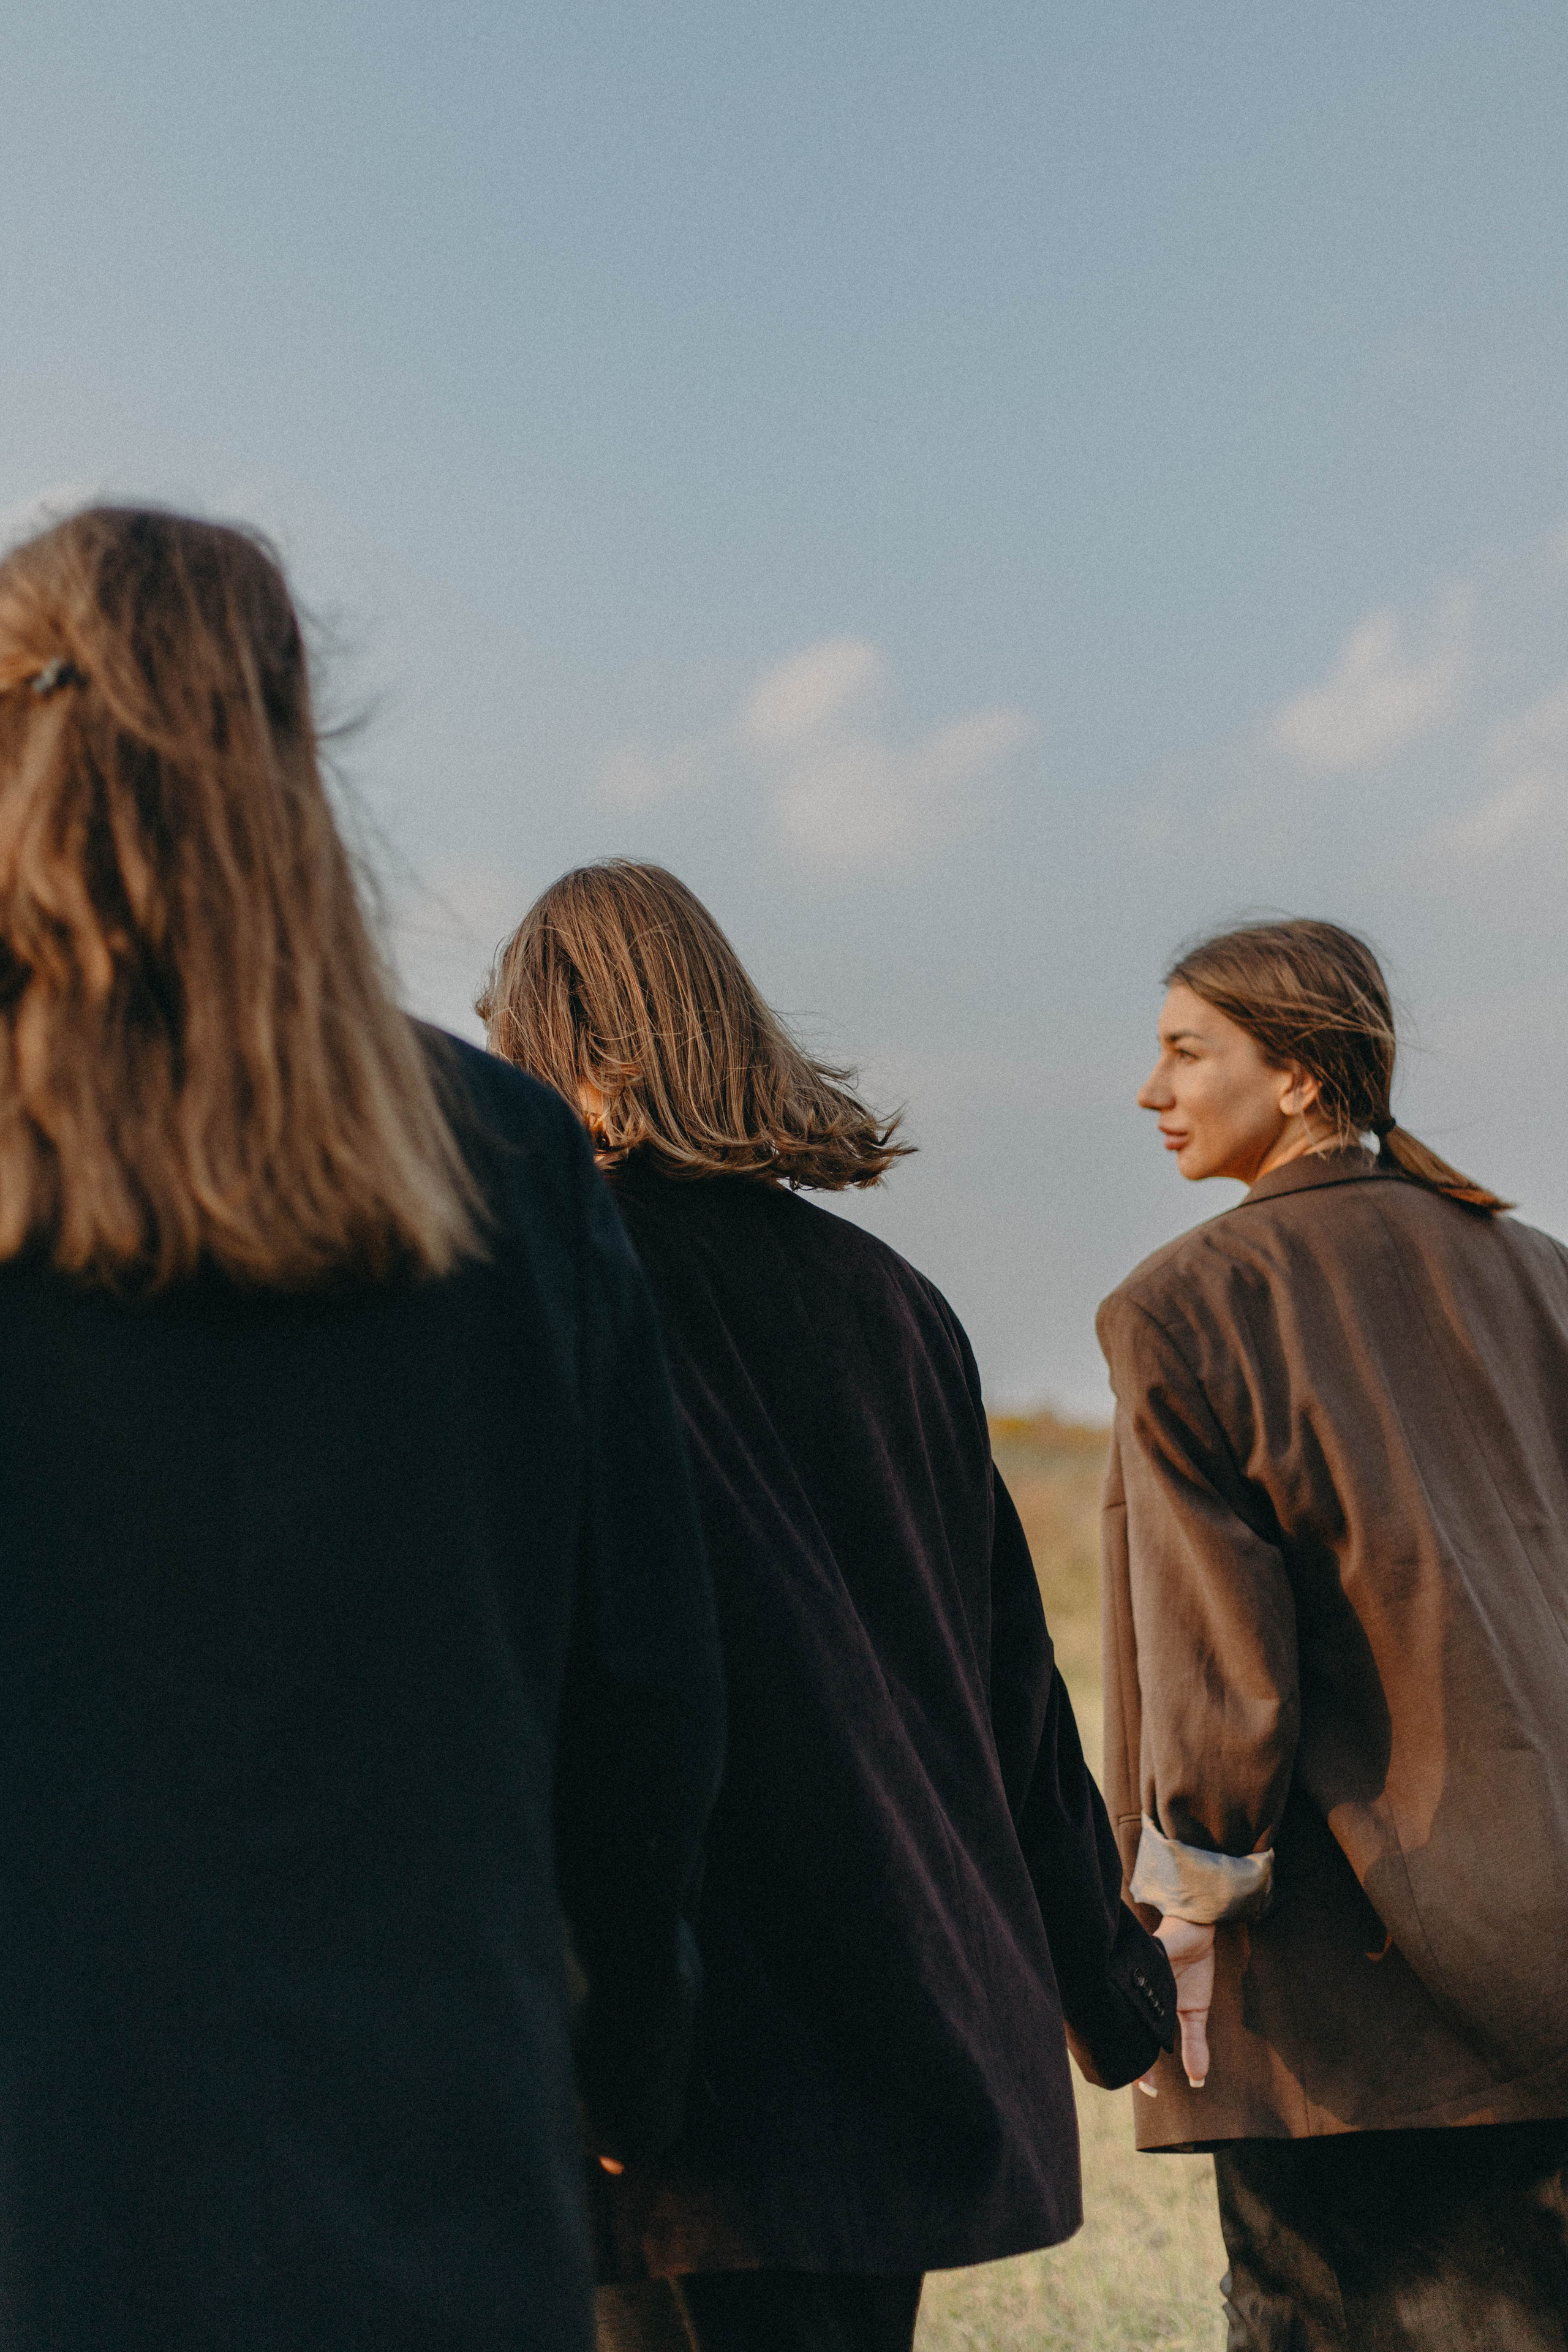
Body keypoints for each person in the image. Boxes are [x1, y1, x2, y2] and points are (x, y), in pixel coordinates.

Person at [0, 510, 724, 2352]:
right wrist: (628, 2071)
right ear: (295, 750)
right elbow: (647, 1697)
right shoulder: (513, 1159)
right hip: (425, 2180)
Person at [480, 859, 1177, 2352]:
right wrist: (1101, 1987)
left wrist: (595, 2038)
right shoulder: (893, 1301)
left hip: (681, 2050)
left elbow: (574, 1685)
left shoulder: (554, 1281)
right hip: (904, 2019)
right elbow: (1006, 1684)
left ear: (584, 1063)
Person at [1099, 916, 1568, 2349]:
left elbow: (1218, 1662)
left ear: (1297, 1074)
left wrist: (1183, 1907)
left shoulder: (1182, 1306)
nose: (1149, 1089)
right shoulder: (1538, 1272)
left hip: (1335, 1977)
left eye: (1186, 1050)